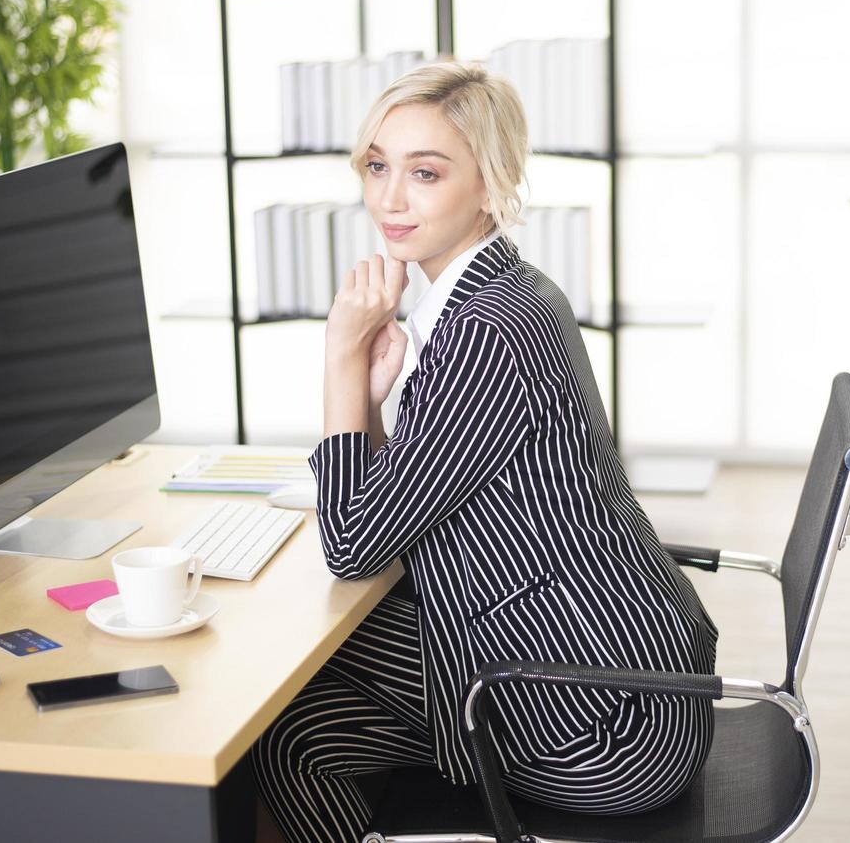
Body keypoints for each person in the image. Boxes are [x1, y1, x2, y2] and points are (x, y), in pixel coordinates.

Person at [249, 60, 718, 843]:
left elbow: (354, 545)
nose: (389, 198)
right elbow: (391, 507)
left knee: (281, 701)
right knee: (304, 723)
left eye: (425, 173)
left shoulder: (484, 333)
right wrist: (367, 400)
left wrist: (340, 354)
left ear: (491, 183)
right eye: (377, 166)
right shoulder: (505, 291)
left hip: (606, 717)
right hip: (623, 667)